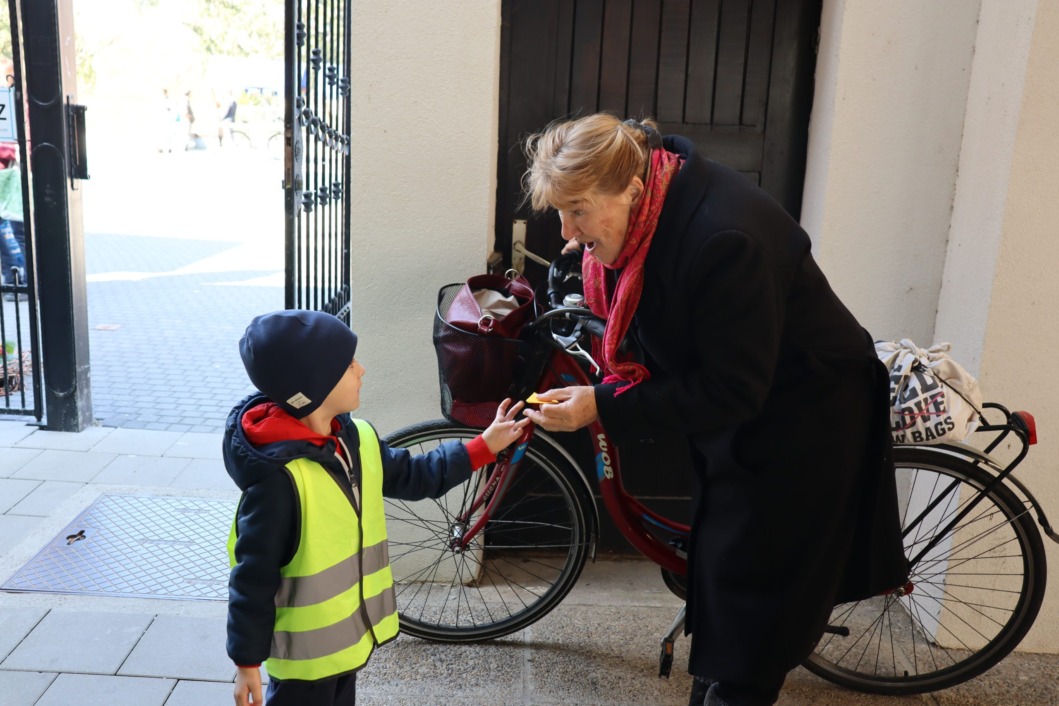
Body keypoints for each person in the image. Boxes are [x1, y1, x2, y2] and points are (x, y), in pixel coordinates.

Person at [520, 113, 909, 706]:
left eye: (578, 209)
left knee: (755, 617)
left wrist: (600, 405)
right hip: (754, 416)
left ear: (628, 186)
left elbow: (732, 390)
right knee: (727, 586)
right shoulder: (658, 191)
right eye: (561, 212)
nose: (568, 233)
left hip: (804, 427)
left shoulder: (723, 238)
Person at [225, 309, 528, 706]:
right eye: (349, 364)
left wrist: (482, 446)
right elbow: (253, 576)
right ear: (315, 386)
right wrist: (247, 661)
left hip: (347, 645)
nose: (362, 370)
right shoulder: (278, 482)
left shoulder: (356, 439)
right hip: (304, 664)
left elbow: (418, 476)